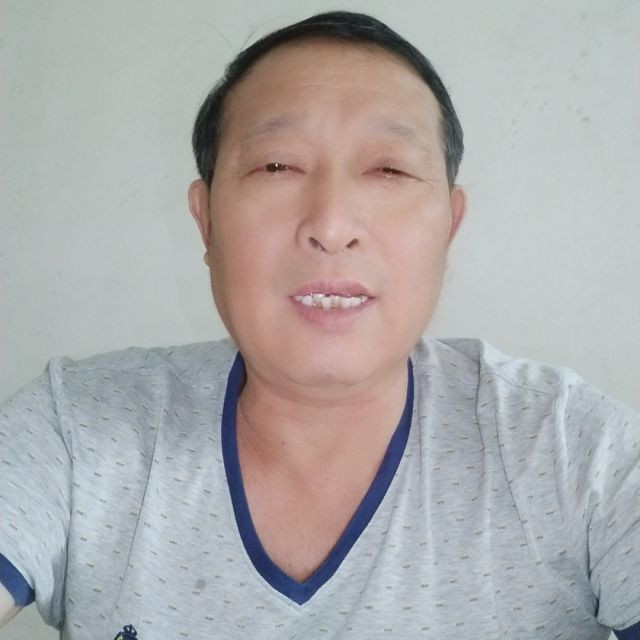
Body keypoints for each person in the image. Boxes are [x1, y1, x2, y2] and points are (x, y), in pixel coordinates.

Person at [1, 10, 638, 640]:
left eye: (389, 169)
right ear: (206, 221)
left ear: (450, 226)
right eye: (277, 166)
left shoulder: (575, 451)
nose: (331, 224)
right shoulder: (77, 430)